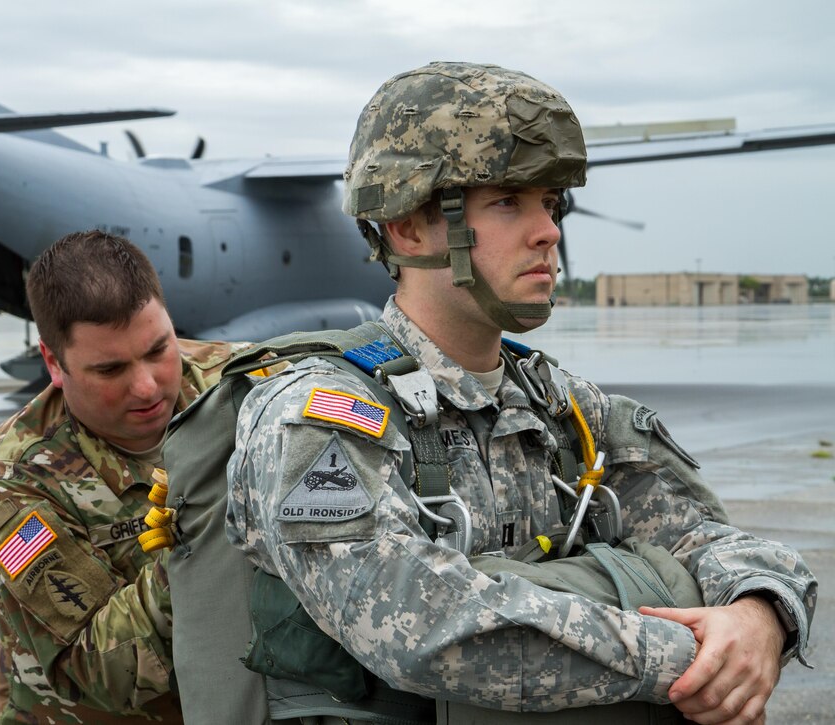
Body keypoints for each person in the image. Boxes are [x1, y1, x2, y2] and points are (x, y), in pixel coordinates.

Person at [224, 63, 816, 723]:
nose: (549, 232)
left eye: (551, 202)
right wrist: (691, 658)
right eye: (508, 201)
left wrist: (758, 613)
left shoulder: (564, 411)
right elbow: (414, 622)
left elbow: (705, 536)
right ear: (407, 226)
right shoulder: (322, 418)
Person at [0, 230, 244, 724]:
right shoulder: (8, 491)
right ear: (54, 364)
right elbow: (100, 670)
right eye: (110, 370)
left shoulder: (236, 382)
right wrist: (208, 532)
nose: (147, 386)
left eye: (159, 349)